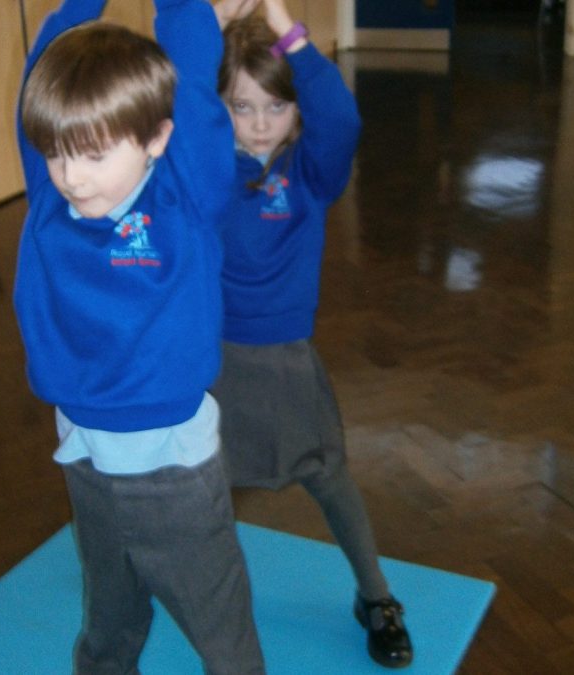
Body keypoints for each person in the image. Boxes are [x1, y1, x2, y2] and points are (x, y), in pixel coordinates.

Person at [13, 1, 265, 672]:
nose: (72, 175)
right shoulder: (49, 199)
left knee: (224, 637)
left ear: (156, 139)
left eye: (94, 155)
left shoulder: (185, 197)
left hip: (173, 475)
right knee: (110, 620)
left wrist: (184, 8)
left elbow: (191, 77)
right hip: (86, 461)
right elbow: (41, 72)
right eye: (57, 153)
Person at [211, 0, 414, 668]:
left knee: (329, 476)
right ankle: (205, 599)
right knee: (204, 488)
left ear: (296, 111)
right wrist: (210, 32)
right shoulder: (205, 168)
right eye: (242, 107)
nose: (259, 123)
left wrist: (282, 25)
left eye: (276, 107)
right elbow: (178, 102)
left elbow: (343, 118)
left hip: (287, 359)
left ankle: (376, 595)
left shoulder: (309, 172)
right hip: (213, 361)